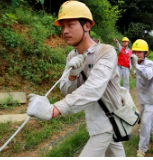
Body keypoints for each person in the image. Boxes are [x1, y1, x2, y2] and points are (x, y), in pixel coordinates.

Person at [27, 1, 126, 157]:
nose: (65, 31)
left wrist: (55, 109)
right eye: (62, 26)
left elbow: (94, 89)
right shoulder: (72, 56)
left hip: (108, 122)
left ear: (87, 26)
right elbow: (65, 89)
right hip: (96, 122)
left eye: (70, 25)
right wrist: (73, 76)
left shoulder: (106, 52)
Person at [130, 39, 153, 157]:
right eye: (134, 52)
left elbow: (147, 75)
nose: (136, 54)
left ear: (146, 53)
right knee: (146, 118)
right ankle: (150, 131)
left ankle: (142, 149)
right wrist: (135, 66)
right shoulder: (138, 64)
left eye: (139, 52)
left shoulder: (150, 64)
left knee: (145, 122)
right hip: (143, 98)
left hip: (152, 98)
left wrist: (135, 65)